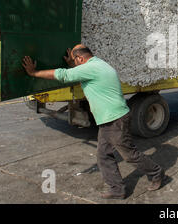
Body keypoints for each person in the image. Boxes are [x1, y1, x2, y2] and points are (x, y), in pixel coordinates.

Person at [22, 45, 166, 199]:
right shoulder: (97, 65)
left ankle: (157, 173)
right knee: (103, 155)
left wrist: (34, 72)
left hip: (115, 119)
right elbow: (79, 73)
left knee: (129, 154)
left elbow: (64, 75)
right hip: (109, 119)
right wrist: (73, 64)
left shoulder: (92, 68)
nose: (75, 64)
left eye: (75, 61)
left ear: (80, 58)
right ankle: (117, 189)